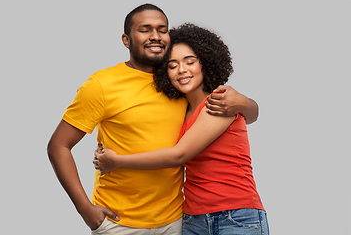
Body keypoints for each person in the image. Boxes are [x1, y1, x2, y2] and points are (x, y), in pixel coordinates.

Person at [47, 4, 259, 234]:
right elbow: (59, 146)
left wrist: (245, 103)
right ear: (126, 40)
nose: (155, 36)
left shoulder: (184, 92)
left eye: (162, 29)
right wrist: (85, 209)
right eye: (145, 29)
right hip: (120, 220)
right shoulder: (102, 85)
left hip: (179, 220)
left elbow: (183, 153)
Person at [94, 23, 269, 235]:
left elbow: (179, 155)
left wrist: (117, 162)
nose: (182, 70)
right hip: (193, 218)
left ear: (205, 63)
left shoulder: (219, 101)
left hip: (235, 215)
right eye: (172, 65)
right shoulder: (183, 110)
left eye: (190, 61)